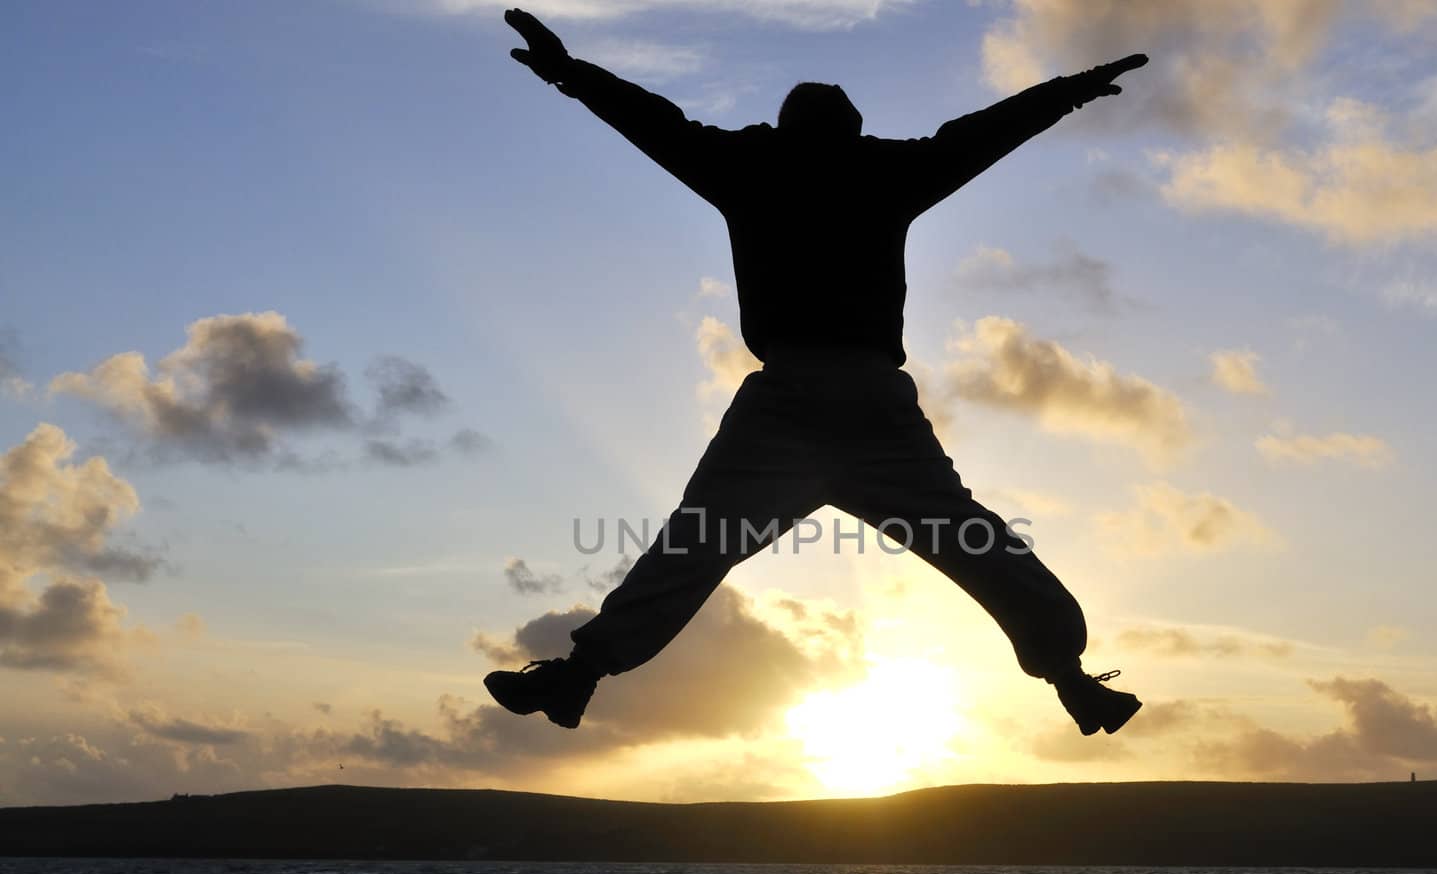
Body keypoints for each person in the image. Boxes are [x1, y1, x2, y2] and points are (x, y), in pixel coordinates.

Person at [485, 8, 1148, 737]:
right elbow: (982, 135)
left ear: (784, 129)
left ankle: (579, 676)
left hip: (791, 403)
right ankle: (1072, 678)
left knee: (695, 546)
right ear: (853, 133)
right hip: (867, 405)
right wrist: (1071, 89)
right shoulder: (883, 171)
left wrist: (566, 71)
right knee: (976, 543)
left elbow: (653, 122)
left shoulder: (750, 166)